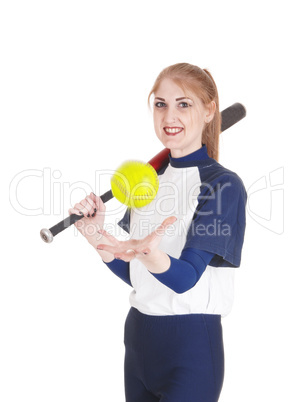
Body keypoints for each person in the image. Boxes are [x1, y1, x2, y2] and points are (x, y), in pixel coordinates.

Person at [68, 63, 247, 402]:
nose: (169, 115)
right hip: (138, 340)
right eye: (160, 103)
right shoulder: (146, 180)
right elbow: (139, 276)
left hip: (190, 346)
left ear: (210, 111)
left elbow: (185, 278)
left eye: (184, 104)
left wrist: (151, 254)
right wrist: (98, 238)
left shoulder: (222, 186)